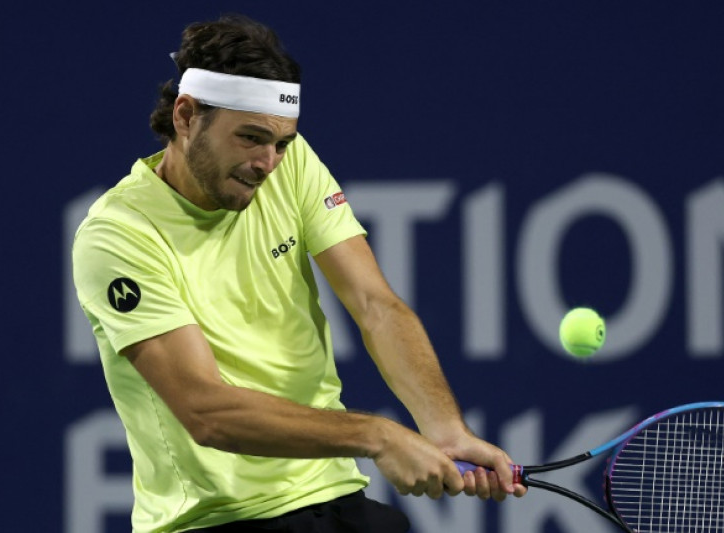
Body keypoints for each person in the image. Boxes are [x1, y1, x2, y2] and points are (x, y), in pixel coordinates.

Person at [71, 13, 526, 533]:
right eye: (250, 138)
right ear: (186, 115)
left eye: (282, 142)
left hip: (333, 495)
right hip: (219, 520)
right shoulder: (118, 234)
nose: (267, 163)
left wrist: (445, 429)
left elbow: (374, 305)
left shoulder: (290, 165)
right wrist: (376, 435)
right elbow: (205, 411)